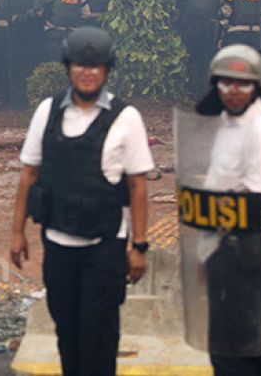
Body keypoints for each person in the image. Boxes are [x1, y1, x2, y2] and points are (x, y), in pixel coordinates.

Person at [9, 26, 153, 376]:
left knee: (98, 334)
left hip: (104, 247)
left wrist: (139, 246)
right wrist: (16, 232)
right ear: (68, 67)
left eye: (96, 66)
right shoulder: (48, 111)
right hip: (58, 245)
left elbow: (137, 187)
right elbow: (28, 175)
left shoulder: (126, 118)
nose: (87, 72)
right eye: (79, 65)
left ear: (107, 70)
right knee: (66, 330)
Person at [192, 44, 261, 375]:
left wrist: (208, 205)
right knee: (230, 348)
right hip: (226, 240)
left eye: (243, 84)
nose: (233, 91)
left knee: (240, 353)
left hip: (253, 246)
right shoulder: (225, 123)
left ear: (257, 87)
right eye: (225, 83)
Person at [178, 0, 227, 98]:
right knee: (207, 58)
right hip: (210, 26)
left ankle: (192, 90)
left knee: (192, 56)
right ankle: (204, 91)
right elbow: (223, 6)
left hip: (190, 22)